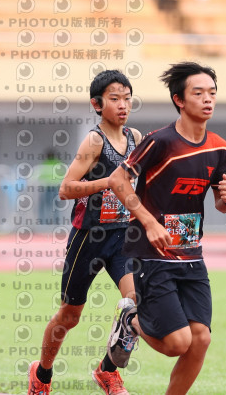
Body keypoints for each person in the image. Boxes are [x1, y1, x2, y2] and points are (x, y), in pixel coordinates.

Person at [106, 62, 226, 394]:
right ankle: (131, 320)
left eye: (212, 93)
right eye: (198, 93)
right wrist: (149, 222)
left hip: (191, 255)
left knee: (201, 339)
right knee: (177, 343)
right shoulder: (159, 141)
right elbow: (118, 180)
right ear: (179, 99)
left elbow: (222, 204)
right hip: (152, 254)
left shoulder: (219, 147)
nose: (208, 99)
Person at [28, 70, 142, 395]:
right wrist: (109, 182)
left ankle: (107, 370)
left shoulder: (136, 138)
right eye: (115, 98)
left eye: (127, 98)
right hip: (88, 239)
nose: (123, 105)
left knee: (137, 302)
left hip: (123, 236)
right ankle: (42, 374)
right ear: (97, 104)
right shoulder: (94, 141)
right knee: (70, 315)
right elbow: (66, 189)